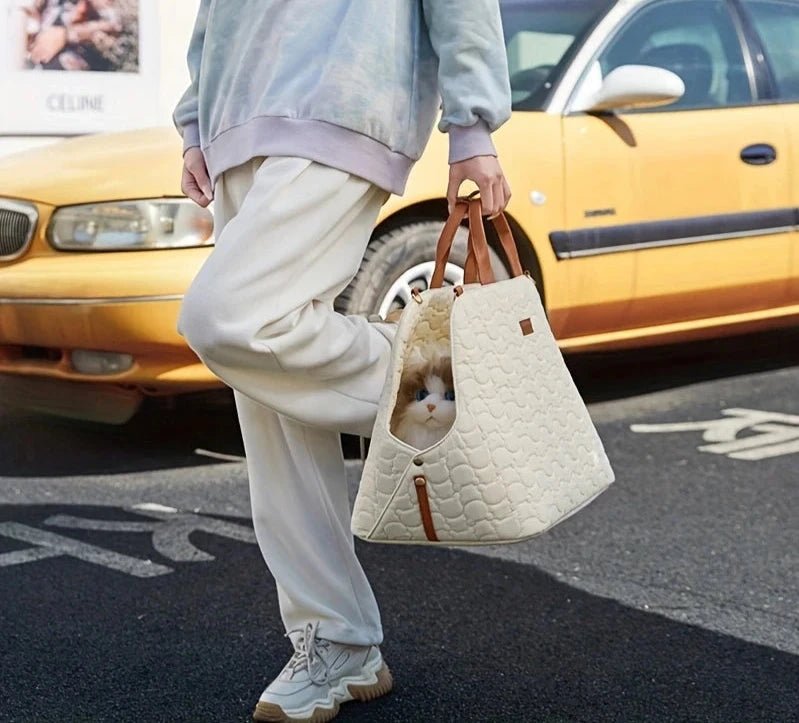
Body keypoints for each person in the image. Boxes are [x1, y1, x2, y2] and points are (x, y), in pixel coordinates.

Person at [173, 2, 512, 720]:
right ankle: (338, 642)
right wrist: (195, 121)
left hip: (342, 104)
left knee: (229, 319)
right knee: (272, 399)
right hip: (237, 122)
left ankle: (447, 387)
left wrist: (471, 122)